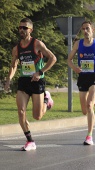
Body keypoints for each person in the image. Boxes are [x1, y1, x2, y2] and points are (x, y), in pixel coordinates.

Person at [4, 18, 57, 151]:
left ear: (30, 30)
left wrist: (40, 72)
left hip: (37, 81)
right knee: (21, 111)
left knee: (37, 116)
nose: (21, 30)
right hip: (23, 81)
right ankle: (30, 141)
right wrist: (9, 80)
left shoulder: (37, 44)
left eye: (24, 28)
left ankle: (47, 100)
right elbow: (13, 65)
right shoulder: (16, 49)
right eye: (20, 27)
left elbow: (53, 58)